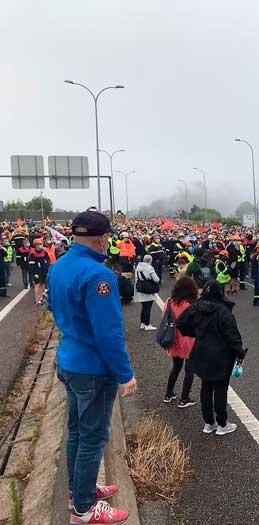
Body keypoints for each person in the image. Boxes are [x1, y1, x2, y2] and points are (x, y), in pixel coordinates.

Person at [48, 211, 136, 524]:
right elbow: (109, 333)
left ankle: (78, 490)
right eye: (108, 237)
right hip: (93, 369)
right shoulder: (99, 275)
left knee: (76, 432)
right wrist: (125, 374)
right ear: (101, 238)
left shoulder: (58, 266)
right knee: (93, 437)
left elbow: (52, 307)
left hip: (69, 360)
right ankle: (84, 509)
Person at [176, 280, 245, 436]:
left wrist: (195, 333)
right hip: (221, 355)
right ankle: (222, 423)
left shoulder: (196, 307)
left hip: (201, 352)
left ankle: (209, 422)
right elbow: (232, 336)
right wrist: (240, 353)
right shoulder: (223, 311)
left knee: (205, 387)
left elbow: (181, 323)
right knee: (221, 389)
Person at [163, 276, 198, 408]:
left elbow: (165, 318)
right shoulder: (192, 304)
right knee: (189, 369)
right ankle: (184, 398)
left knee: (176, 367)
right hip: (189, 339)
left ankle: (168, 394)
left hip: (173, 338)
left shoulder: (170, 302)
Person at [134, 254, 160, 331]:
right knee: (148, 308)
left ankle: (142, 323)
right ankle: (147, 324)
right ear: (150, 260)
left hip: (140, 289)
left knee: (144, 307)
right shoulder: (150, 268)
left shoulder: (138, 267)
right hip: (148, 289)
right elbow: (156, 279)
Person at [28, 238, 51, 305]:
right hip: (37, 272)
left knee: (43, 284)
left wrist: (48, 269)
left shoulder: (44, 252)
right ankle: (37, 299)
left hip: (44, 271)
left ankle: (41, 297)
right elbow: (31, 265)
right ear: (35, 245)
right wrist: (34, 273)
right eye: (38, 244)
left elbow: (48, 261)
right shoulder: (32, 253)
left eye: (40, 244)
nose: (39, 245)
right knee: (37, 284)